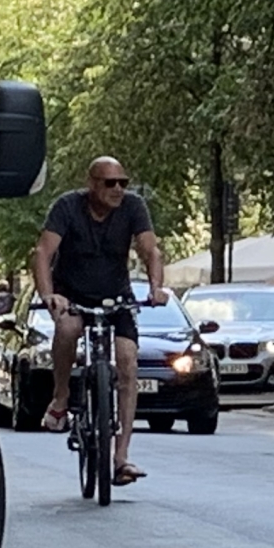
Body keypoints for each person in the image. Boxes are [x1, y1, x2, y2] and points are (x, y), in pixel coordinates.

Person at [31, 156, 168, 485]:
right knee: (67, 327)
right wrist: (51, 295)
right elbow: (42, 253)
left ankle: (121, 458)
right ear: (91, 183)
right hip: (73, 295)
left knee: (128, 364)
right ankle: (62, 396)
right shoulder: (67, 207)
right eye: (110, 183)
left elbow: (151, 251)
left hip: (116, 297)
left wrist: (156, 287)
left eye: (123, 182)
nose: (118, 189)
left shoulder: (133, 207)